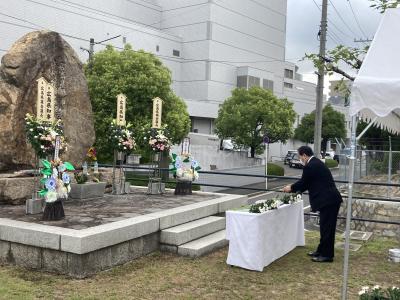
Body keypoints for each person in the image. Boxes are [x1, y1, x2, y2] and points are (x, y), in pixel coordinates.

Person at [283, 146, 342, 263]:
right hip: (329, 200)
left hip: (328, 200)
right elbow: (307, 183)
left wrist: (290, 188)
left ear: (304, 155)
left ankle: (327, 255)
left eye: (300, 156)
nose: (300, 159)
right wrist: (294, 189)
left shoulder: (310, 166)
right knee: (325, 228)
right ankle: (321, 250)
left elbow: (303, 182)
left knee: (327, 229)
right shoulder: (315, 163)